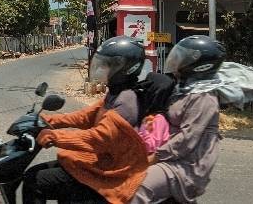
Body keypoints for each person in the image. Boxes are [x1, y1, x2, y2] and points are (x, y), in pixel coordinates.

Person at [22, 36, 150, 204]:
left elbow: (96, 139)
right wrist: (50, 120)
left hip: (109, 172)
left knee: (36, 181)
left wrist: (55, 137)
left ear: (125, 68)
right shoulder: (115, 93)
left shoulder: (126, 101)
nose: (102, 68)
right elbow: (86, 116)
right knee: (36, 173)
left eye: (108, 64)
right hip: (100, 161)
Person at [131, 35, 226, 204]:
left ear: (200, 65)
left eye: (185, 57)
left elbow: (186, 139)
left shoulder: (203, 97)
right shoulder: (185, 88)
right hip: (173, 157)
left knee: (137, 188)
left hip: (187, 165)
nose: (178, 60)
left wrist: (154, 157)